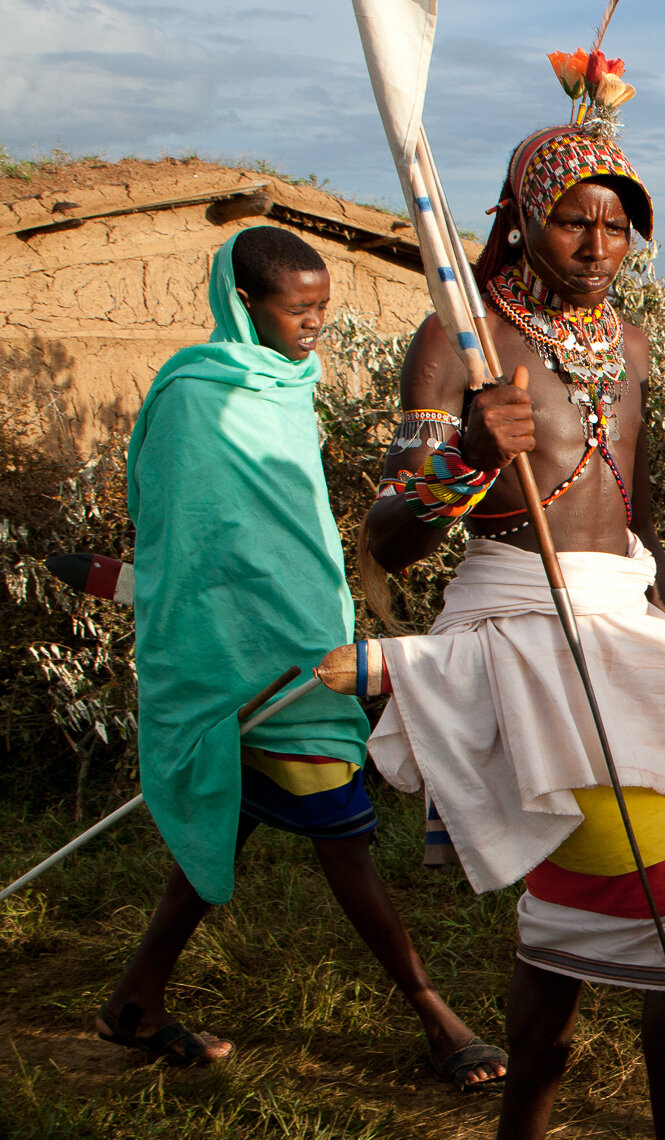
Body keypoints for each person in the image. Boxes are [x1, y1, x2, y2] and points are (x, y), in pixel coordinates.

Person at [357, 90, 665, 1140]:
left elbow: (633, 532)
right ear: (519, 222)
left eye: (620, 226)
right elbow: (392, 537)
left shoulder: (634, 345)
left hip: (619, 631)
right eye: (575, 224)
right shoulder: (458, 340)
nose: (602, 247)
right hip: (521, 632)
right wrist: (462, 454)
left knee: (561, 936)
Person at [95, 225, 505, 1091]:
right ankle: (437, 1017)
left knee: (222, 822)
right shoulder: (196, 394)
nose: (315, 324)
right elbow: (191, 537)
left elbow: (291, 530)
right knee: (345, 834)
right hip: (237, 655)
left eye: (324, 307)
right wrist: (247, 638)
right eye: (297, 309)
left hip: (301, 640)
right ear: (244, 306)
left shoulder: (288, 383)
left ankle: (136, 999)